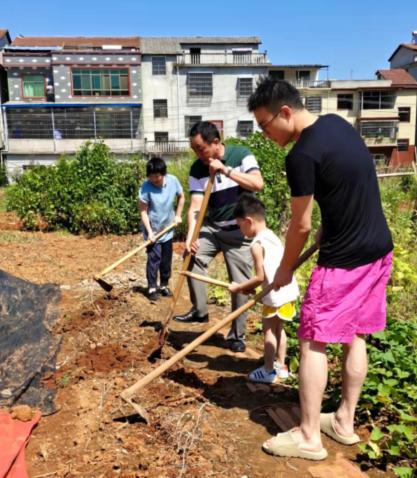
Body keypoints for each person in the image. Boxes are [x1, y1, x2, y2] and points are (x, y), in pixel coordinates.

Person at [248, 78, 393, 460]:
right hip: (379, 250)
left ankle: (309, 436)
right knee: (355, 334)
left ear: (284, 112)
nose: (264, 135)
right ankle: (343, 421)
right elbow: (349, 184)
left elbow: (299, 225)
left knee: (314, 339)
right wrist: (335, 223)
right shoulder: (336, 125)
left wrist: (282, 271)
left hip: (344, 263)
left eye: (264, 125)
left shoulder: (300, 156)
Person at [173, 121, 264, 353]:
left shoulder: (241, 155)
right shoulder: (197, 169)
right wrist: (192, 235)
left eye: (200, 148)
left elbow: (257, 183)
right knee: (192, 257)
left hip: (239, 232)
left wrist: (226, 170)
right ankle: (200, 311)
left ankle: (237, 335)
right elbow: (195, 205)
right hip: (213, 228)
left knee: (240, 283)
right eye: (194, 149)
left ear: (215, 143)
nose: (197, 154)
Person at [230, 193, 299, 382]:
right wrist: (252, 289)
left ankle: (268, 370)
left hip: (274, 295)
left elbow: (260, 277)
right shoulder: (271, 235)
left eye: (239, 226)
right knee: (280, 329)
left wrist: (239, 287)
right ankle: (281, 366)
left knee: (269, 330)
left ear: (248, 221)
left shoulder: (256, 244)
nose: (240, 231)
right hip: (288, 291)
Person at [139, 157, 185, 301]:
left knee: (166, 259)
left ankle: (164, 285)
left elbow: (181, 197)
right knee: (154, 259)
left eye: (157, 176)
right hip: (153, 229)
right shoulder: (146, 187)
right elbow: (143, 212)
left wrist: (177, 215)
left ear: (163, 173)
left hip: (167, 228)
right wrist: (150, 232)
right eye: (151, 177)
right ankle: (152, 287)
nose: (154, 180)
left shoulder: (173, 181)